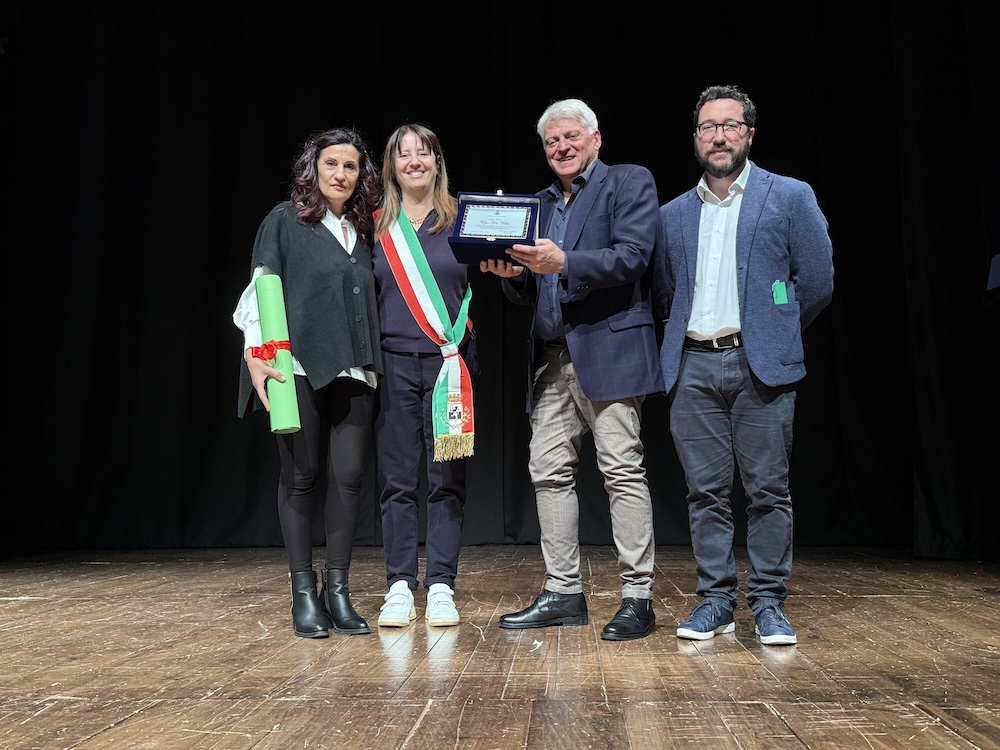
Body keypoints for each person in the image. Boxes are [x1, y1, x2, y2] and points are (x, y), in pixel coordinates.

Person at [652, 84, 834, 646]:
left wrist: (769, 334)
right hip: (694, 369)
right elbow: (665, 293)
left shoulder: (789, 195)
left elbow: (818, 281)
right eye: (709, 127)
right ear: (696, 138)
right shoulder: (672, 214)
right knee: (704, 493)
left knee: (767, 492)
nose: (720, 136)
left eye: (730, 126)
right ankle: (716, 602)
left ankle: (769, 603)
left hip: (761, 368)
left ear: (749, 134)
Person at [481, 98, 661, 641]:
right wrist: (508, 274)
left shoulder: (628, 182)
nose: (561, 147)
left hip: (610, 350)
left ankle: (638, 598)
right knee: (548, 472)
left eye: (570, 137)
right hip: (551, 358)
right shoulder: (534, 203)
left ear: (595, 138)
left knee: (621, 471)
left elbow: (634, 256)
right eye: (551, 141)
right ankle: (563, 591)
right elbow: (529, 287)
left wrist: (566, 262)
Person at [233, 127, 383, 638]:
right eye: (331, 165)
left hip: (355, 368)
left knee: (350, 477)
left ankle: (337, 591)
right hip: (295, 365)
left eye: (350, 167)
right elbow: (261, 289)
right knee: (300, 476)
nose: (340, 175)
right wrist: (256, 355)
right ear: (313, 169)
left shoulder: (365, 232)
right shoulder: (285, 221)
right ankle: (303, 593)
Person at [372, 123, 478, 629]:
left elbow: (507, 273)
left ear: (437, 160)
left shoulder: (463, 219)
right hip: (393, 364)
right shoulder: (376, 227)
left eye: (424, 152)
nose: (414, 161)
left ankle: (440, 585)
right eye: (404, 154)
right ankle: (398, 586)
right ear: (392, 165)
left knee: (446, 479)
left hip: (449, 366)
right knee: (397, 481)